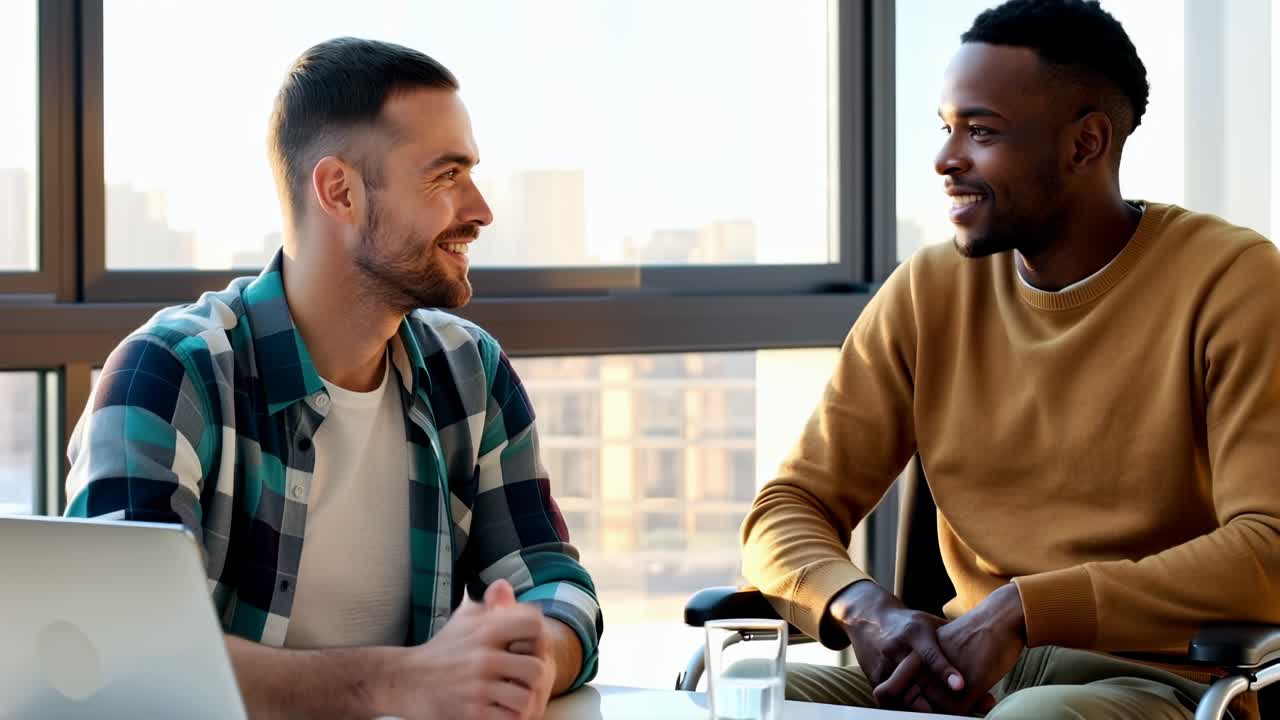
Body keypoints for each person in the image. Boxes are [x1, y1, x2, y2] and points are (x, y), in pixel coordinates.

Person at [741, 1, 1280, 719]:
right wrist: (864, 610)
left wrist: (1025, 609)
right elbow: (787, 508)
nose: (945, 159)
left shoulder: (1234, 282)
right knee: (739, 699)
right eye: (947, 128)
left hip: (1158, 682)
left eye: (982, 132)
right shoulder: (928, 291)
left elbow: (1266, 549)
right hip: (963, 676)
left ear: (1085, 144)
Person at [64, 37, 602, 720]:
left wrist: (525, 661)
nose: (480, 209)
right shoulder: (168, 375)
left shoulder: (471, 372)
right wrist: (397, 683)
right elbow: (126, 652)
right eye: (445, 176)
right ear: (340, 192)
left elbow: (556, 585)